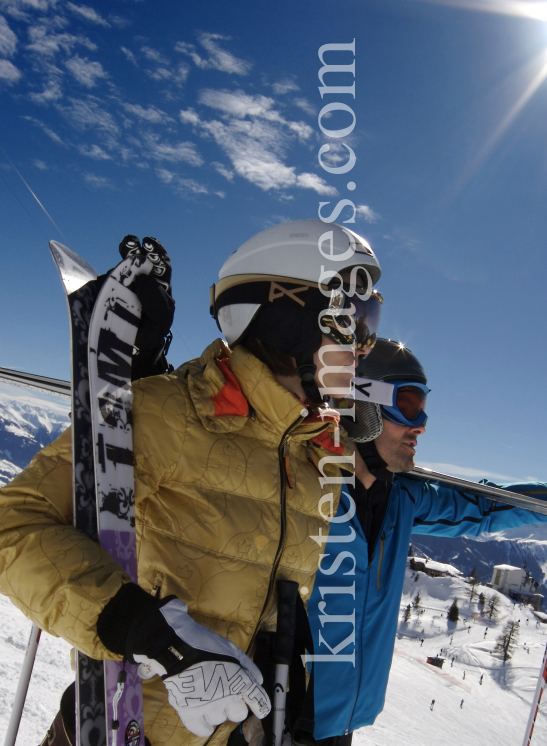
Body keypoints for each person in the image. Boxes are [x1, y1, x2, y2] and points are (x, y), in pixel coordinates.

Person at [0, 218, 384, 746]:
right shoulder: (171, 413)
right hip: (118, 726)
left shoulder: (317, 459)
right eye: (351, 320)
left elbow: (268, 593)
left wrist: (285, 660)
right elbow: (12, 524)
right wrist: (148, 634)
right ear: (287, 316)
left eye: (370, 321)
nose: (363, 345)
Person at [297, 339, 547, 744]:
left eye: (424, 407)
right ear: (361, 404)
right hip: (284, 713)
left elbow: (481, 506)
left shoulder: (402, 497)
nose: (422, 424)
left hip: (342, 723)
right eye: (408, 404)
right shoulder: (302, 485)